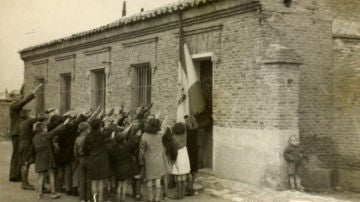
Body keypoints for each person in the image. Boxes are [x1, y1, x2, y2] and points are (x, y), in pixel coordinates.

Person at [9, 84, 43, 182]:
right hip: (17, 133)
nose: (20, 96)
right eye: (18, 95)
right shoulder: (13, 105)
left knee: (19, 154)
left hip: (19, 133)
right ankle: (14, 175)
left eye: (20, 94)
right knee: (17, 154)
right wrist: (33, 92)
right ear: (13, 97)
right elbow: (23, 103)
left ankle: (17, 175)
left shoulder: (16, 107)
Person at [32, 118, 70, 199]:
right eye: (45, 128)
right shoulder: (45, 135)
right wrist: (64, 124)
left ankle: (39, 193)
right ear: (42, 129)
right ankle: (53, 192)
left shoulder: (35, 137)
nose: (47, 129)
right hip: (47, 158)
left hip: (39, 158)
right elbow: (55, 131)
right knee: (51, 174)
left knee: (40, 176)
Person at [139, 117, 168, 202]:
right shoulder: (160, 134)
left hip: (149, 160)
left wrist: (140, 159)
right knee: (158, 179)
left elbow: (141, 150)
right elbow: (164, 127)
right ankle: (157, 199)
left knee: (149, 180)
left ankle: (150, 199)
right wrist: (165, 120)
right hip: (159, 160)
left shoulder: (144, 136)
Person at [83, 118, 111, 202]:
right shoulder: (103, 135)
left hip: (92, 158)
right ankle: (101, 199)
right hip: (102, 158)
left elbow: (84, 148)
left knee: (94, 181)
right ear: (99, 126)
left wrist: (89, 152)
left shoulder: (88, 136)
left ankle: (94, 200)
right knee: (101, 181)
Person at [19, 111, 48, 190]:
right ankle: (24, 184)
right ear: (26, 115)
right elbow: (39, 118)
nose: (31, 115)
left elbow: (30, 132)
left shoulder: (22, 123)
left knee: (24, 164)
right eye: (29, 113)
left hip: (21, 144)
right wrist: (46, 113)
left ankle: (24, 183)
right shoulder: (28, 121)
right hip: (26, 145)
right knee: (26, 163)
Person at [109, 130, 134, 202]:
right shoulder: (127, 148)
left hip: (117, 168)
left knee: (119, 185)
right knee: (125, 185)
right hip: (126, 168)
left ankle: (118, 199)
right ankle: (123, 199)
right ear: (124, 140)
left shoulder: (114, 149)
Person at [171, 123, 190, 199]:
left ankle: (178, 195)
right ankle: (182, 194)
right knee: (183, 175)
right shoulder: (185, 135)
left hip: (178, 155)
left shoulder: (173, 138)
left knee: (178, 175)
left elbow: (174, 150)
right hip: (184, 155)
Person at [74, 122, 92, 202]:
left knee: (81, 180)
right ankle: (89, 198)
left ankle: (82, 198)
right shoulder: (89, 138)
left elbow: (75, 151)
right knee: (89, 180)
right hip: (89, 158)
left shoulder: (77, 139)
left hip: (81, 159)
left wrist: (77, 158)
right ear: (87, 129)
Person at [184, 115, 198, 196]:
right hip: (194, 150)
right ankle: (191, 187)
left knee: (188, 170)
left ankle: (188, 188)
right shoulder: (196, 130)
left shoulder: (187, 132)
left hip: (188, 151)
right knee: (193, 170)